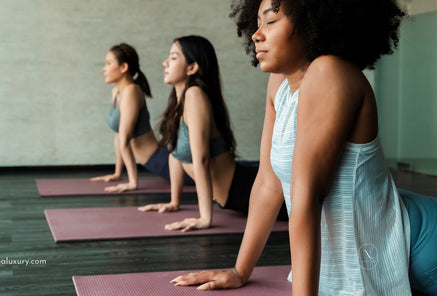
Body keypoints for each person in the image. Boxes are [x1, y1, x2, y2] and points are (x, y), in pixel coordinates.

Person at [170, 0, 437, 295]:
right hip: (382, 239)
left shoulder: (330, 72)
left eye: (271, 21)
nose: (256, 34)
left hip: (419, 248)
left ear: (311, 24)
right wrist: (239, 270)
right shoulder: (279, 84)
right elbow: (268, 183)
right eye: (257, 23)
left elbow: (307, 194)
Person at [139, 35, 288, 231]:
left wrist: (204, 218)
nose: (164, 62)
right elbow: (176, 154)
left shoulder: (194, 95)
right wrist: (174, 202)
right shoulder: (179, 101)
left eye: (174, 57)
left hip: (248, 190)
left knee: (317, 209)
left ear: (192, 67)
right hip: (236, 195)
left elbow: (201, 159)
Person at [91, 43, 193, 192]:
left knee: (217, 175)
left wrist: (133, 182)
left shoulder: (131, 91)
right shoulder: (116, 92)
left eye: (108, 63)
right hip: (155, 162)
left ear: (124, 67)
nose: (104, 68)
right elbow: (118, 135)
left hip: (160, 161)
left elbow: (125, 140)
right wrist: (117, 173)